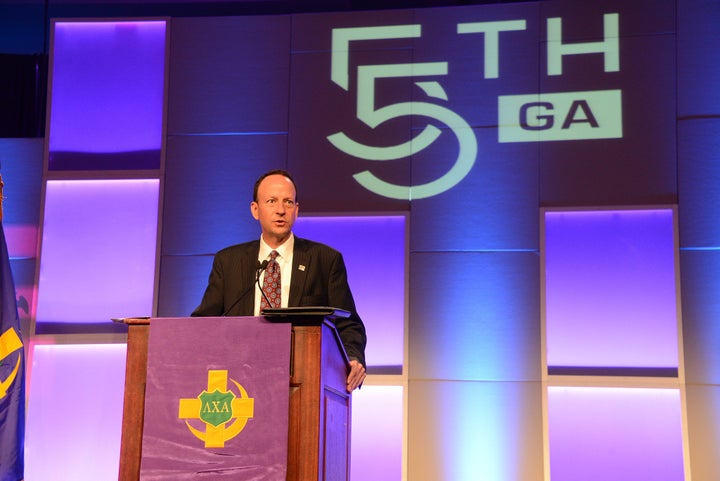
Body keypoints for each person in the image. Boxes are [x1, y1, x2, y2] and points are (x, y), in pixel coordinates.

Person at [192, 169, 367, 392]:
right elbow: (204, 322)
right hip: (237, 382)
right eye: (272, 201)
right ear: (255, 210)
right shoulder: (228, 262)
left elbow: (348, 323)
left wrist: (353, 358)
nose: (280, 210)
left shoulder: (325, 260)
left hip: (301, 382)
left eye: (288, 202)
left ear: (296, 210)